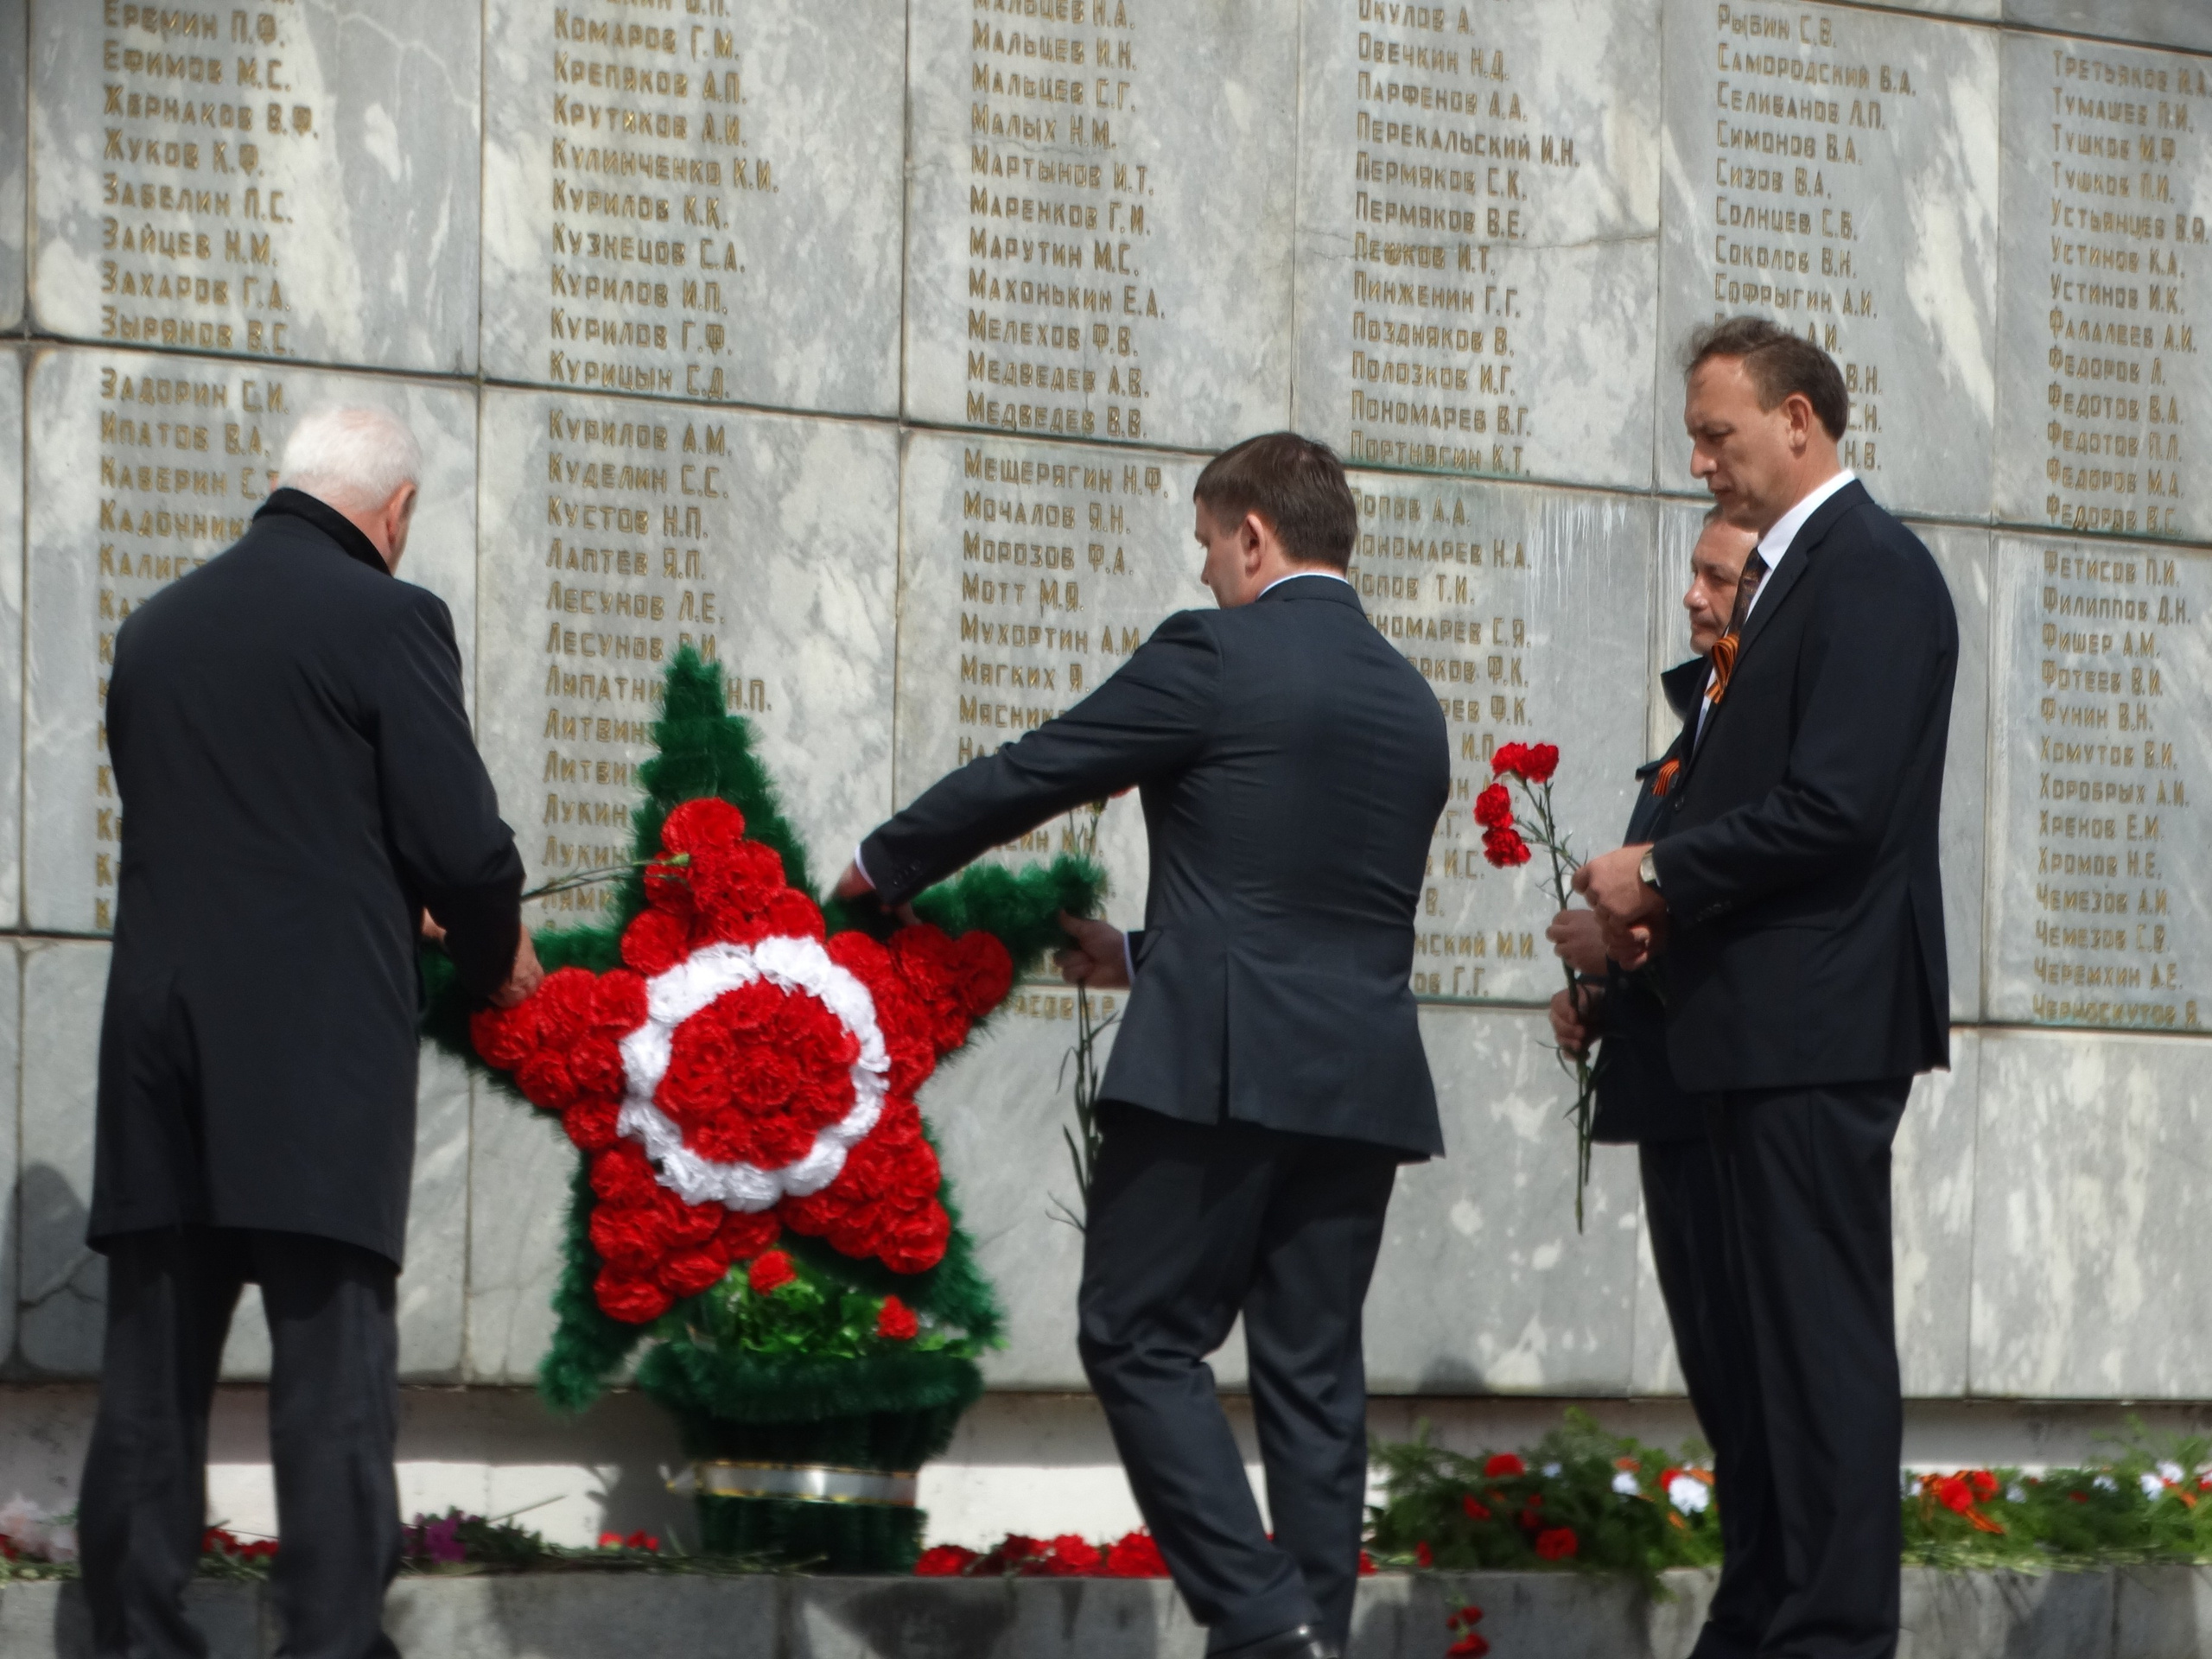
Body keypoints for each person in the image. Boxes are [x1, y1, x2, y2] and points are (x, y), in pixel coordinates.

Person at [836, 433, 1448, 1659]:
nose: (1208, 568)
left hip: (1220, 1069)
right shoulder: (1409, 698)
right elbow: (1308, 913)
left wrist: (880, 865)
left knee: (1136, 1329)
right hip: (1361, 1079)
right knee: (1314, 1380)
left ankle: (1264, 1620)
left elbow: (1043, 768)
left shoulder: (1216, 649)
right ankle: (1311, 1635)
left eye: (1210, 544)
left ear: (1253, 535)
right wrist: (1145, 950)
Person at [83, 406, 541, 1659]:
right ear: (391, 514)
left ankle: (128, 1639)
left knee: (149, 1382)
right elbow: (462, 842)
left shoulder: (157, 628)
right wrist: (494, 951)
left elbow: (236, 824)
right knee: (330, 1372)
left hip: (159, 1047)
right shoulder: (391, 617)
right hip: (313, 1055)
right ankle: (330, 1645)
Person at [1575, 318, 1957, 1659]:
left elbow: (1838, 810)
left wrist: (1661, 872)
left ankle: (1833, 1631)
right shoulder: (1798, 579)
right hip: (1752, 1027)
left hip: (1818, 1023)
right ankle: (1778, 1613)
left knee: (1820, 1350)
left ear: (1801, 420)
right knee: (1765, 1364)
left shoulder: (1871, 572)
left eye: (1718, 434)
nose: (1700, 461)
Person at [1547, 507, 1776, 1659]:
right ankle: (1753, 1603)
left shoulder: (1748, 726)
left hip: (1726, 1092)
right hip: (1669, 1084)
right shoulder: (1701, 719)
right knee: (1724, 1387)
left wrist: (1630, 949)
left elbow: (1739, 907)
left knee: (1755, 1384)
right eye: (1693, 573)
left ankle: (1761, 1616)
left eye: (1718, 577)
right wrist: (1603, 988)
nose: (1693, 596)